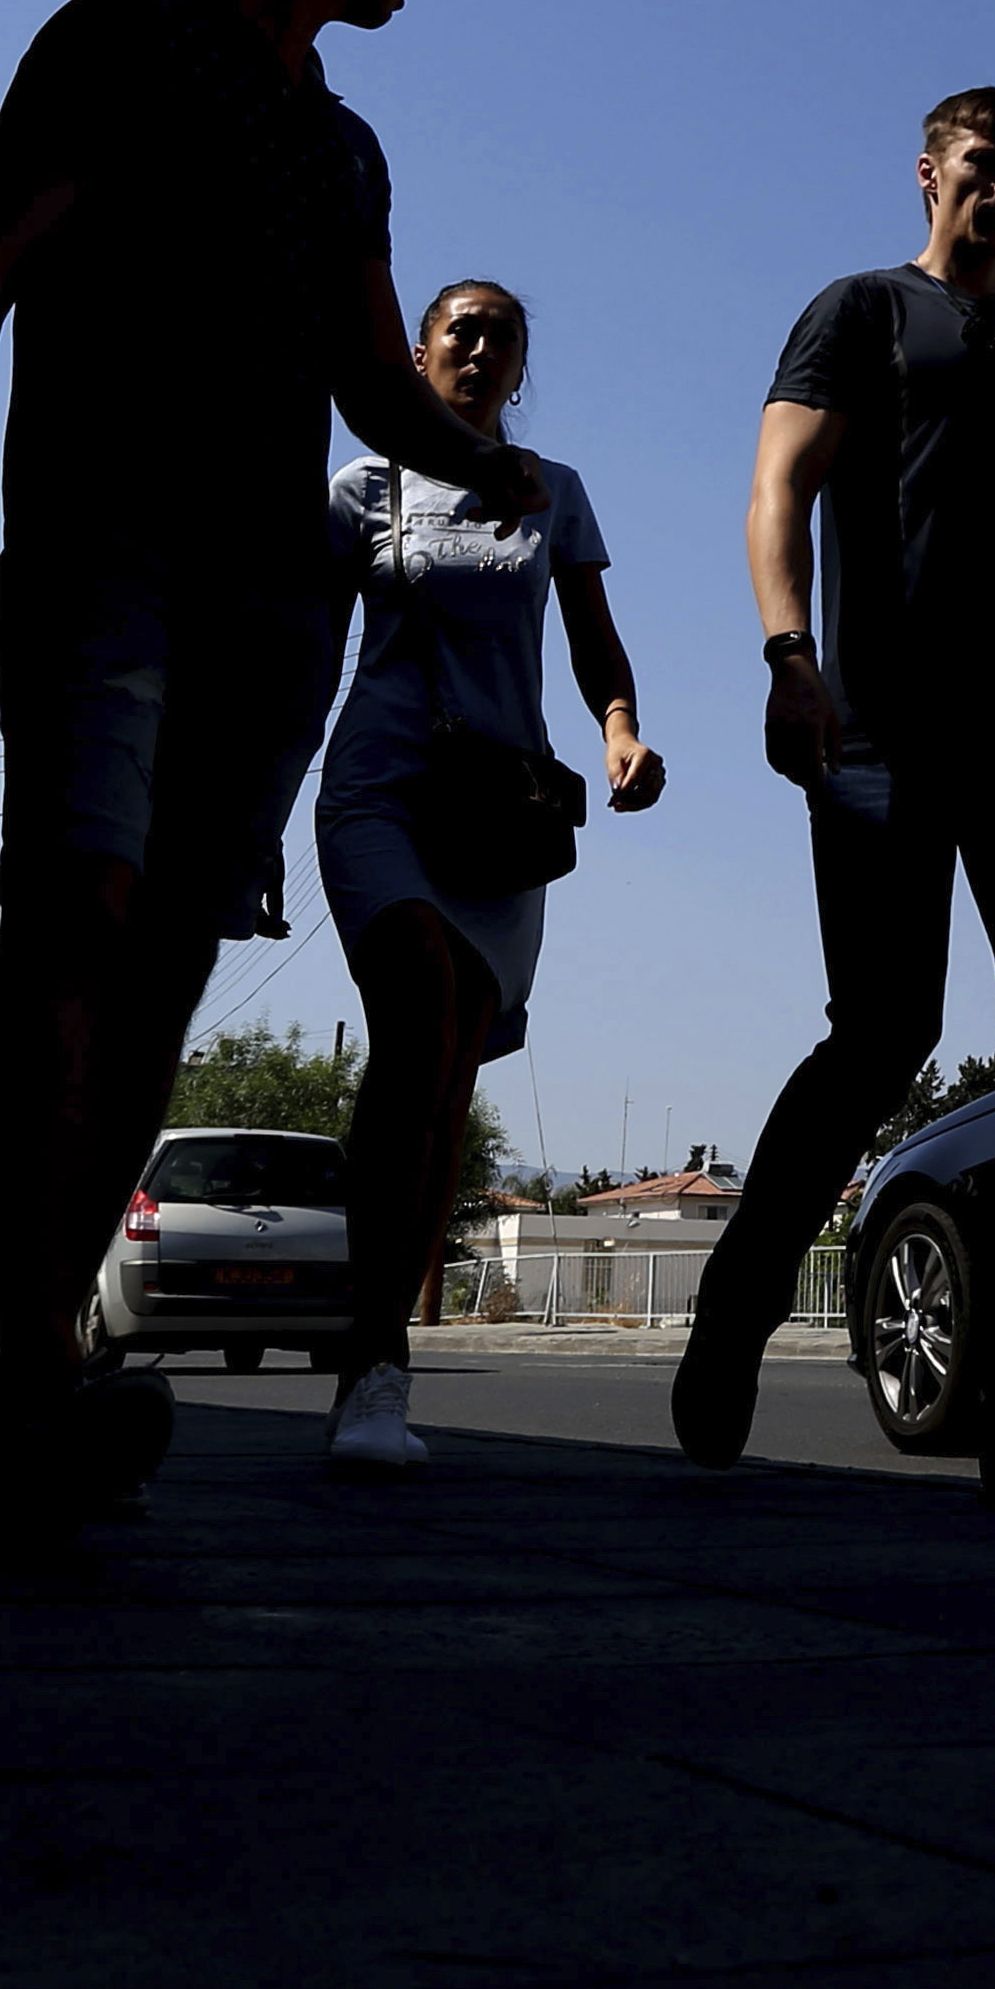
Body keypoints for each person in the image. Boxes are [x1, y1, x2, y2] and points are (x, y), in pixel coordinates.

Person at [0, 0, 541, 1519]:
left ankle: (42, 1356)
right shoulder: (118, 42)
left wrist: (486, 461)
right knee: (74, 905)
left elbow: (368, 382)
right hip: (99, 543)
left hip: (266, 606)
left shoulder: (348, 152)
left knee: (164, 963)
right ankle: (31, 1367)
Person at [676, 85, 995, 1512]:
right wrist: (789, 655)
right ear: (929, 173)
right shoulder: (864, 313)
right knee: (885, 1033)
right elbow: (781, 482)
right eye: (983, 163)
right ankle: (743, 1296)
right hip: (886, 733)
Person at [306, 281, 662, 1474]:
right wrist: (253, 815)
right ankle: (368, 1366)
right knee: (415, 1008)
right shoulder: (366, 487)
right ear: (415, 355)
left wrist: (617, 725)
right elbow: (303, 653)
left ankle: (382, 1347)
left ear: (518, 371)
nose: (481, 345)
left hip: (499, 819)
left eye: (503, 335)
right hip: (382, 786)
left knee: (444, 1068)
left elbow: (590, 634)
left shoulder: (551, 491)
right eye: (461, 327)